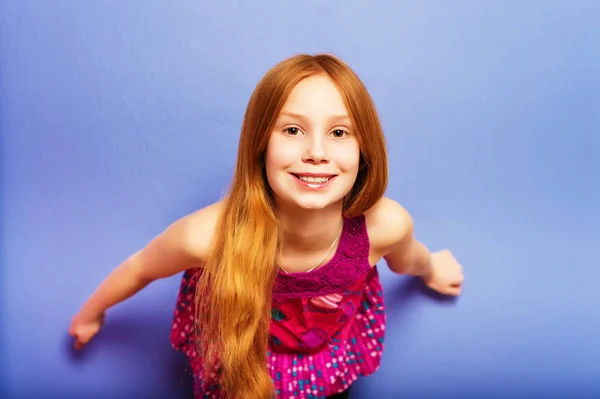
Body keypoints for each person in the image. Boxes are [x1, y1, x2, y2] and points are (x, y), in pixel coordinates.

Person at [69, 53, 465, 399]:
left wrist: (432, 268)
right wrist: (91, 313)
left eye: (339, 133)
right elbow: (140, 268)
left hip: (325, 358)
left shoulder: (385, 226)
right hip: (244, 368)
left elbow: (408, 260)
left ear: (364, 151)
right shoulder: (207, 236)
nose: (316, 153)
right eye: (293, 130)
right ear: (261, 144)